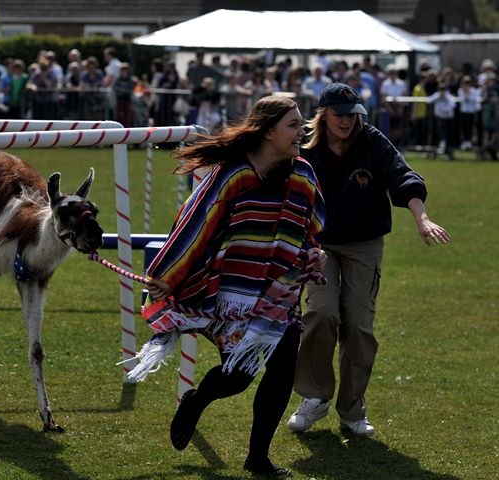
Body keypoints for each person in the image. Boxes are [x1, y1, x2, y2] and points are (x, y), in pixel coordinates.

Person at [131, 94, 327, 477]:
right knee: (238, 377)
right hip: (231, 293)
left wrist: (313, 252)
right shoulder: (234, 174)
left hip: (278, 293)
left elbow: (311, 228)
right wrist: (167, 277)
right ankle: (195, 400)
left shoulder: (303, 173)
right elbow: (195, 225)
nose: (301, 132)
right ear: (269, 131)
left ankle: (258, 458)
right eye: (293, 125)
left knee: (284, 367)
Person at [287, 83, 451, 436]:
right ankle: (314, 397)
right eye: (339, 115)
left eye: (352, 115)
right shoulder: (305, 147)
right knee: (320, 313)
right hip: (320, 245)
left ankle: (352, 408)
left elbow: (402, 176)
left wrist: (421, 218)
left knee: (359, 325)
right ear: (323, 114)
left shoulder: (373, 141)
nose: (346, 122)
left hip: (364, 243)